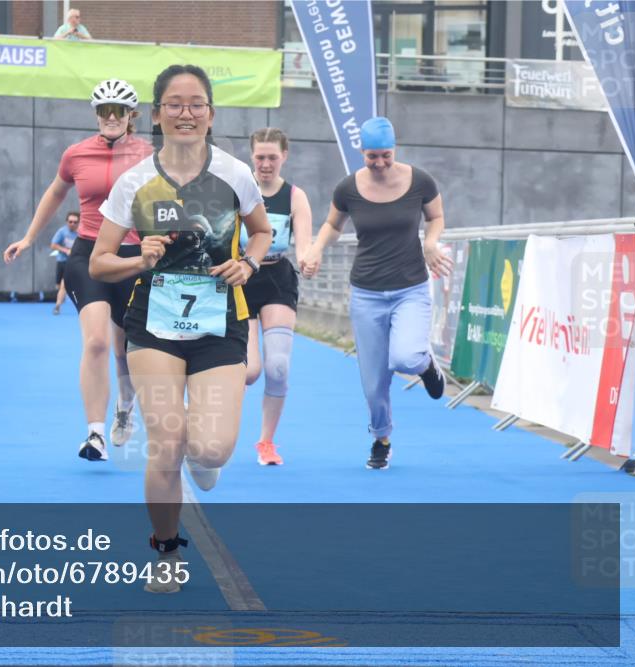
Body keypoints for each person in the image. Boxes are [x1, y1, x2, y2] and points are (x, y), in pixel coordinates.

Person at [90, 64, 271, 593]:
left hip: (220, 325)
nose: (185, 113)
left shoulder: (236, 175)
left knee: (210, 450)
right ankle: (166, 550)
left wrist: (250, 265)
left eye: (196, 104)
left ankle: (203, 451)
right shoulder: (134, 181)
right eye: (174, 104)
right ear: (157, 114)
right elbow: (100, 262)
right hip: (154, 324)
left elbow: (260, 234)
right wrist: (136, 259)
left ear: (211, 115)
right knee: (166, 444)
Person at [4, 79, 151, 461]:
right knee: (97, 342)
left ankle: (124, 406)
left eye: (120, 110)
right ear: (97, 115)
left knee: (125, 349)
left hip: (131, 257)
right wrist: (29, 237)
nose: (112, 117)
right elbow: (55, 193)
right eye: (105, 111)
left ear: (132, 115)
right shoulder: (77, 154)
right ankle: (95, 434)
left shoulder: (149, 155)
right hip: (87, 255)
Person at [302, 117, 451, 470]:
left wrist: (430, 242)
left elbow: (437, 217)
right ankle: (381, 438)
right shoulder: (348, 188)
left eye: (385, 155)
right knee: (374, 383)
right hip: (366, 293)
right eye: (372, 157)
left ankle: (427, 365)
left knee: (406, 358)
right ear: (362, 153)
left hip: (410, 287)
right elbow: (332, 225)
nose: (380, 163)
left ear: (394, 149)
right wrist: (316, 248)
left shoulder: (420, 181)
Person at [239, 128, 312, 466]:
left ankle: (266, 442)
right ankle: (206, 416)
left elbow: (305, 244)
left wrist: (309, 259)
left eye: (272, 157)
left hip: (277, 280)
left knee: (278, 365)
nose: (266, 164)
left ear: (285, 155)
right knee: (250, 371)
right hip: (241, 278)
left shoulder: (294, 196)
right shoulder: (238, 190)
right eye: (260, 157)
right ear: (251, 156)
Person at [50, 212, 80, 315]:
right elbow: (53, 245)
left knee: (64, 285)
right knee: (58, 286)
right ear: (67, 222)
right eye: (70, 222)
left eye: (75, 222)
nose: (72, 224)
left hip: (73, 263)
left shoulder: (81, 233)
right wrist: (65, 250)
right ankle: (61, 298)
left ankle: (57, 306)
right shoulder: (62, 232)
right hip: (61, 261)